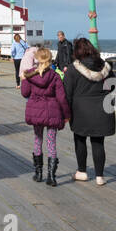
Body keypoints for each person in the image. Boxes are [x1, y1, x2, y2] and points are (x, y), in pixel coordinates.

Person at [62, 37, 116, 185]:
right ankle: (100, 176)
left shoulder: (73, 69)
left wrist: (65, 114)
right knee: (98, 143)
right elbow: (113, 86)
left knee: (80, 140)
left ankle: (82, 172)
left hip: (80, 110)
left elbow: (67, 93)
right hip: (102, 109)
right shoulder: (105, 67)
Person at [20, 46, 70, 186]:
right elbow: (61, 98)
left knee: (38, 140)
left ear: (37, 59)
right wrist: (66, 115)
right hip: (52, 112)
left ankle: (38, 173)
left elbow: (25, 93)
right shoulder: (55, 76)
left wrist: (24, 80)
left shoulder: (30, 75)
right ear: (50, 59)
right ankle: (52, 177)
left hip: (36, 111)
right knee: (51, 143)